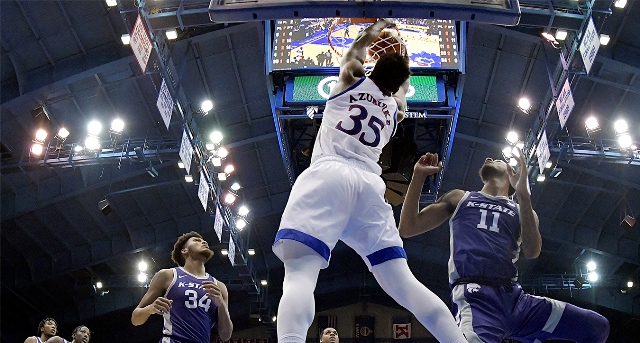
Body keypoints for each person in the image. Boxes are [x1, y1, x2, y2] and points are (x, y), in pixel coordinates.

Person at [272, 18, 467, 343]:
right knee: (404, 284)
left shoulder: (349, 82)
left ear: (371, 70)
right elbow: (401, 86)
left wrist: (372, 31)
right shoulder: (395, 108)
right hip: (368, 187)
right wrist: (403, 55)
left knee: (299, 273)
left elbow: (353, 55)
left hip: (328, 175)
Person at [398, 150, 610, 343]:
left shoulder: (523, 210)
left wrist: (524, 197)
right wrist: (418, 176)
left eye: (497, 159)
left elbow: (532, 251)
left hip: (516, 300)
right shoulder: (460, 197)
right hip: (476, 297)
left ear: (511, 174)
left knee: (596, 327)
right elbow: (407, 228)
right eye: (490, 158)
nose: (488, 158)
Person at [131, 231, 233, 343]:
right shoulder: (168, 275)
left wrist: (221, 304)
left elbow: (225, 335)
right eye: (197, 240)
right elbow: (135, 319)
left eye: (204, 241)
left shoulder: (220, 287)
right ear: (185, 250)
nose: (203, 242)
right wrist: (150, 308)